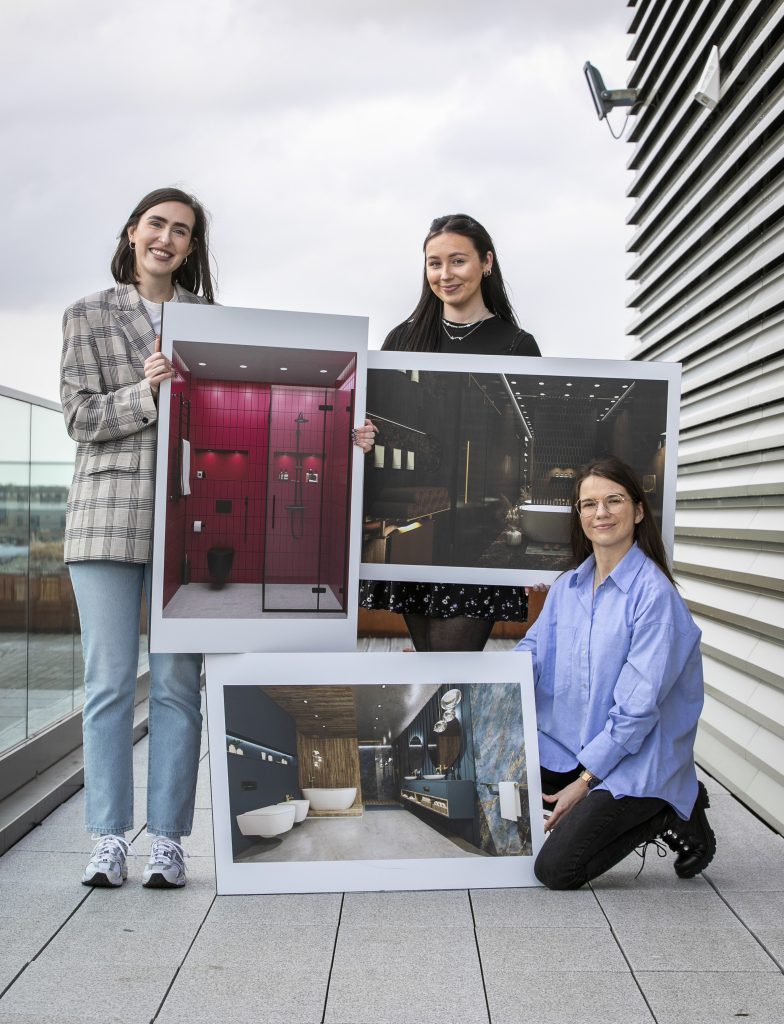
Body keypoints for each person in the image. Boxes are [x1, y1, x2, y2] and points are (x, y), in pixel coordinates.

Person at [61, 187, 216, 888]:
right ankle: (107, 838)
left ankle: (169, 840)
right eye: (157, 224)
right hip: (106, 520)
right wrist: (144, 394)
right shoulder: (87, 314)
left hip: (188, 520)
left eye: (181, 231)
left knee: (181, 684)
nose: (166, 238)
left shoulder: (209, 322)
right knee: (109, 685)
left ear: (191, 246)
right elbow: (78, 416)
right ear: (132, 232)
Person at [515, 456, 716, 889]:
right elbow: (529, 654)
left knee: (556, 869)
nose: (600, 513)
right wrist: (470, 674)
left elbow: (636, 711)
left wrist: (585, 782)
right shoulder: (568, 587)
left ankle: (669, 808)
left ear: (638, 510)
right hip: (570, 744)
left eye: (613, 501)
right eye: (588, 505)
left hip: (634, 756)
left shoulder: (654, 598)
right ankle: (664, 798)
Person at [354, 213, 541, 652]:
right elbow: (389, 426)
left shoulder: (517, 345)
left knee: (452, 661)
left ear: (486, 262)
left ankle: (442, 722)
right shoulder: (402, 338)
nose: (444, 274)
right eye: (433, 263)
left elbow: (521, 440)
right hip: (418, 524)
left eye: (457, 261)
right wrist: (366, 436)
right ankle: (438, 723)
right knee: (430, 662)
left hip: (480, 529)